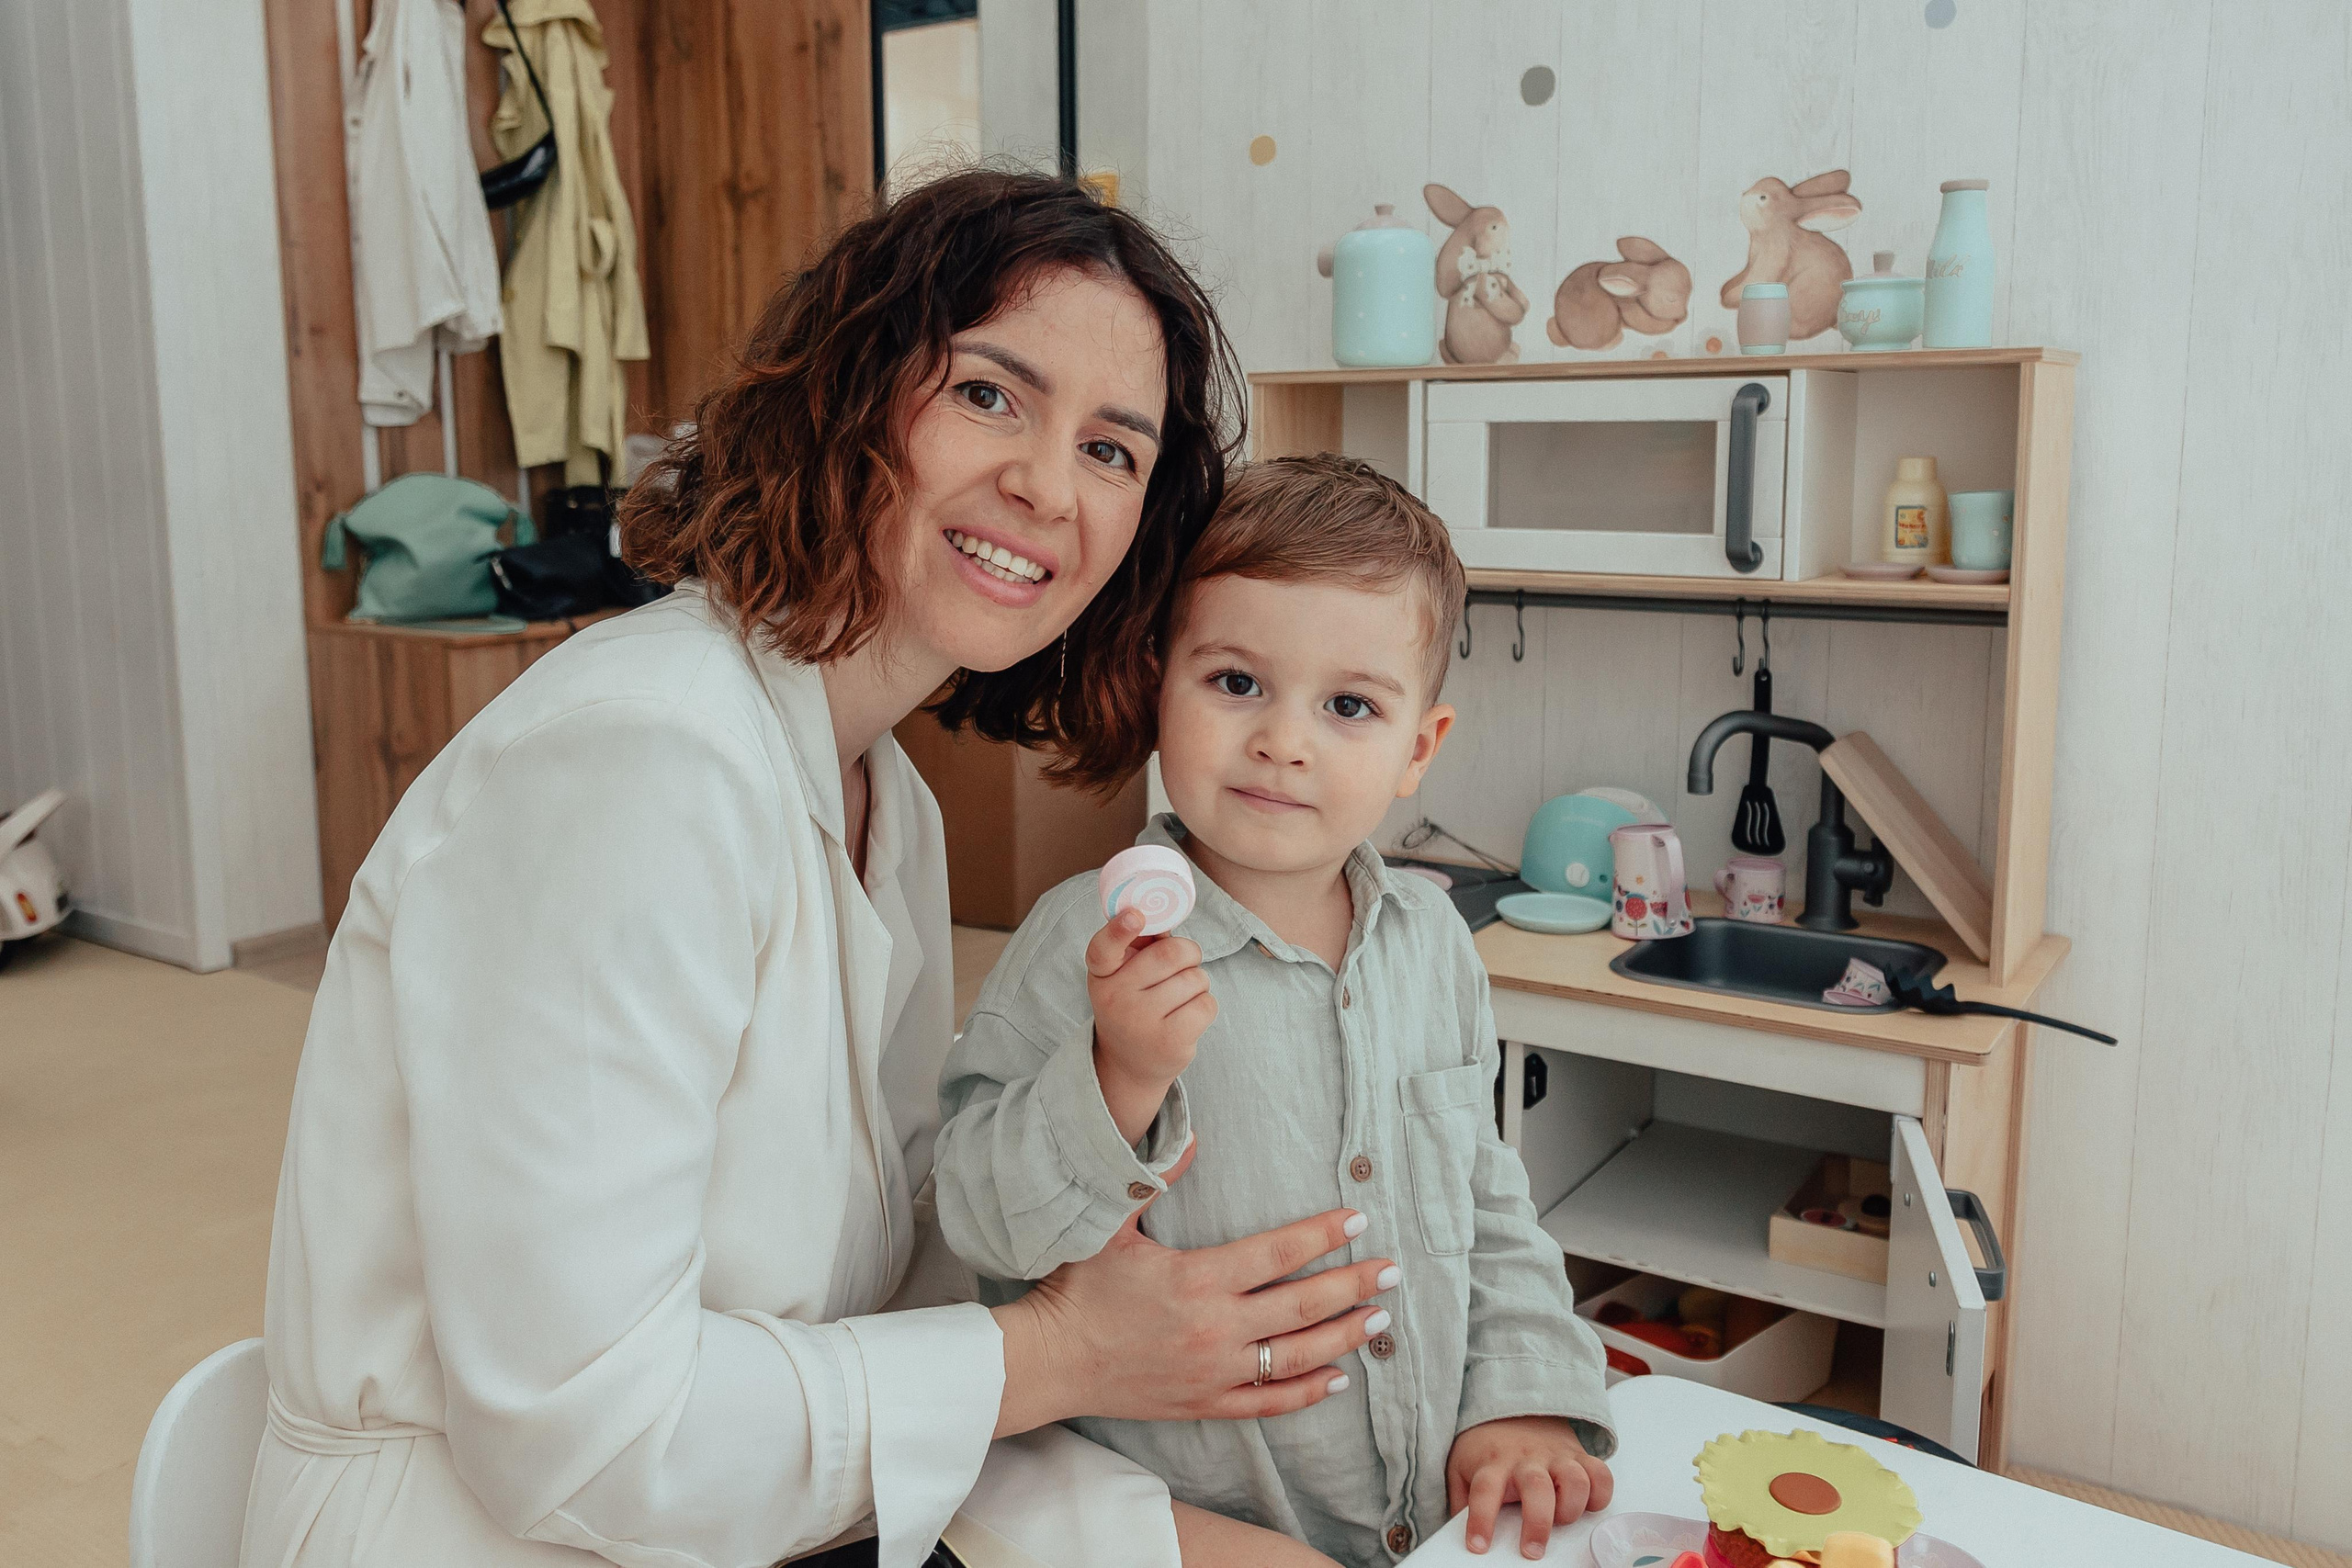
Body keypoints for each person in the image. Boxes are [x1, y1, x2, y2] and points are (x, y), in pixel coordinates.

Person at [242, 172, 1402, 1568]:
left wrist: (1143, 1510)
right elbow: (591, 1440)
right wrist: (1073, 1352)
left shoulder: (881, 797)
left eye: (1113, 449)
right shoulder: (639, 763)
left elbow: (885, 1294)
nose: (1045, 483)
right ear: (852, 392)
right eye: (989, 394)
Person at [933, 457, 1619, 1567]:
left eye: (1349, 706)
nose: (1284, 741)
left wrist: (1522, 1401)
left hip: (1429, 1527)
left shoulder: (1436, 947)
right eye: (1237, 683)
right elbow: (978, 1222)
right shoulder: (1083, 939)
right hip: (1190, 1535)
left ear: (1418, 748)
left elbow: (1487, 1203)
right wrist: (1119, 1074)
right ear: (1160, 682)